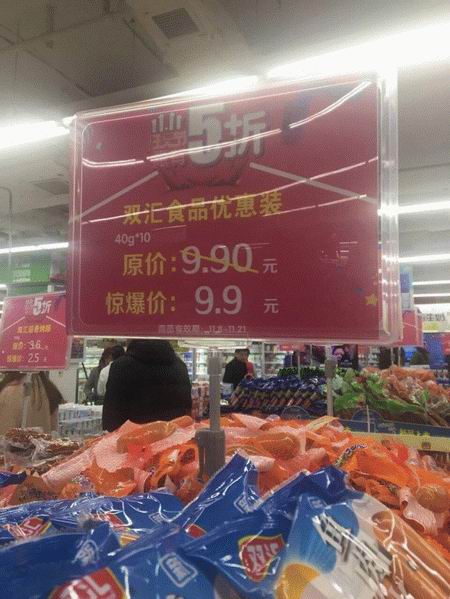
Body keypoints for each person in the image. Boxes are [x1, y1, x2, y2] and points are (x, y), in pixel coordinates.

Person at [102, 339, 191, 432]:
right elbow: (187, 412)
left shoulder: (121, 367)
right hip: (175, 438)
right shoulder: (181, 367)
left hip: (132, 439)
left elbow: (111, 420)